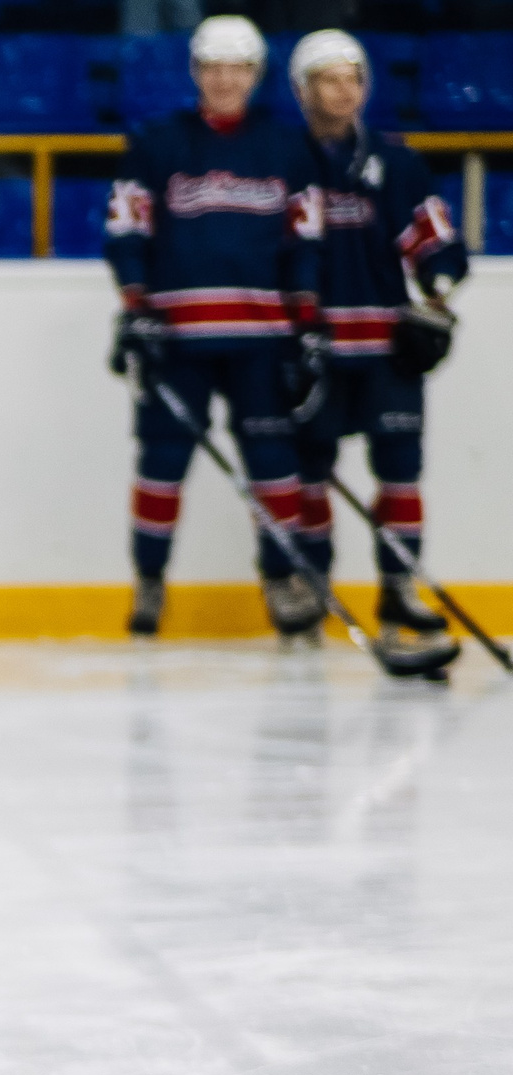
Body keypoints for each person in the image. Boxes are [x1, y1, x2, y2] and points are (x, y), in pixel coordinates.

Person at [105, 16, 326, 641]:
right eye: (213, 68)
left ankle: (280, 582)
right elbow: (127, 228)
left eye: (237, 69)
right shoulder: (157, 143)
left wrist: (306, 320)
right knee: (162, 460)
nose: (224, 80)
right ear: (196, 72)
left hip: (263, 338)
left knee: (274, 464)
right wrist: (135, 304)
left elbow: (305, 239)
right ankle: (149, 581)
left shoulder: (286, 149)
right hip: (178, 336)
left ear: (255, 76)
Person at [286, 29, 465, 639]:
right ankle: (312, 587)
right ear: (303, 89)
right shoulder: (281, 161)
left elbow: (433, 240)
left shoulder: (397, 162)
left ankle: (398, 588)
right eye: (330, 80)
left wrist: (438, 290)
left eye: (354, 79)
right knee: (308, 475)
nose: (345, 92)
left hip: (386, 349)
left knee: (400, 472)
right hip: (313, 349)